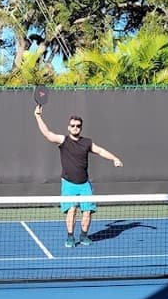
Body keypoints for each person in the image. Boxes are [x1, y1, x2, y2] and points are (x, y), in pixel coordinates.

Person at [33, 106, 123, 248]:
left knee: (87, 212)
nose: (75, 128)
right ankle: (70, 237)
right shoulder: (63, 141)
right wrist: (38, 116)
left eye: (78, 126)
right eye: (73, 125)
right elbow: (48, 134)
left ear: (81, 128)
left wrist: (114, 158)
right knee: (72, 210)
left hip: (84, 184)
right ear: (68, 128)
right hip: (69, 183)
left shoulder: (86, 142)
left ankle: (84, 235)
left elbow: (100, 150)